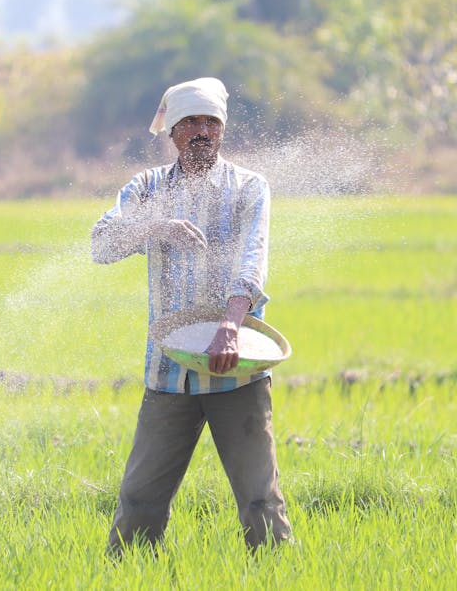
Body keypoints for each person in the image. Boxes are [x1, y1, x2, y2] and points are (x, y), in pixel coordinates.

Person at [91, 77, 292, 555]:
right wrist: (155, 226)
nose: (202, 131)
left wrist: (230, 326)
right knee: (139, 499)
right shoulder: (147, 188)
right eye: (190, 122)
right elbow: (101, 244)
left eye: (210, 122)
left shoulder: (248, 187)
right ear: (172, 131)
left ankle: (279, 574)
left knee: (260, 499)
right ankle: (126, 575)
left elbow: (252, 259)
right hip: (168, 373)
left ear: (222, 129)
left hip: (234, 370)